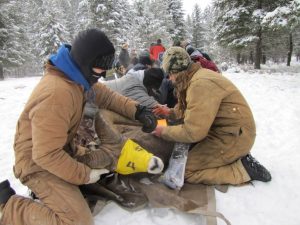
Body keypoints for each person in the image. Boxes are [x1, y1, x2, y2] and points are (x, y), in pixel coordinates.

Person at [0, 28, 158, 225]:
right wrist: (85, 175)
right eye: (101, 67)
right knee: (77, 222)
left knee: (109, 158)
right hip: (37, 164)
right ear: (87, 62)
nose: (103, 73)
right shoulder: (56, 93)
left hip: (62, 151)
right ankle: (8, 206)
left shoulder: (76, 78)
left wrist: (138, 111)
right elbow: (45, 155)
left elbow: (108, 97)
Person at [152, 46, 272, 185]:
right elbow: (190, 108)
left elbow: (192, 132)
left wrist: (163, 131)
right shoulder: (194, 77)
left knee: (184, 171)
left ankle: (243, 170)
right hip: (229, 131)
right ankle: (235, 157)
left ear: (176, 72)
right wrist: (170, 112)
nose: (170, 79)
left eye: (170, 74)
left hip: (234, 136)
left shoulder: (200, 84)